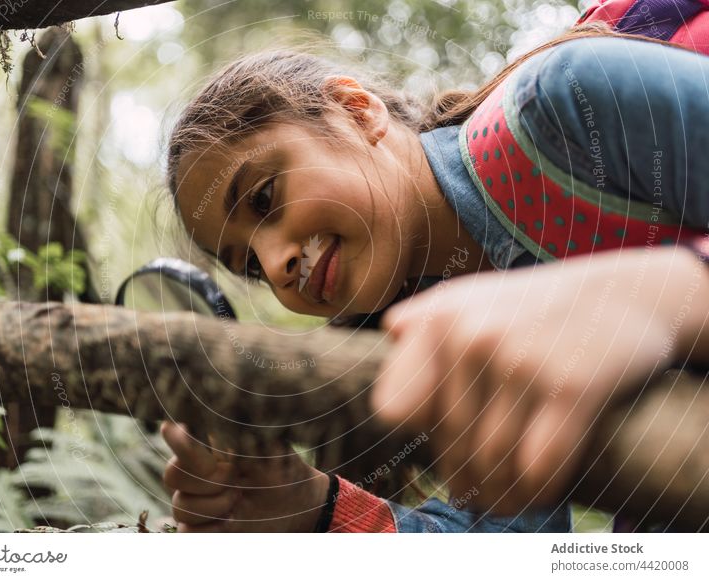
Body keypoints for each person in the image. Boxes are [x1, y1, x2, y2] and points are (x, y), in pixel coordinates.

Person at [159, 5, 709, 532]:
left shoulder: (568, 99)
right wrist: (312, 509)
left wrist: (667, 295)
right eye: (250, 265)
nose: (277, 264)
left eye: (262, 197)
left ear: (356, 111)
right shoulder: (436, 346)